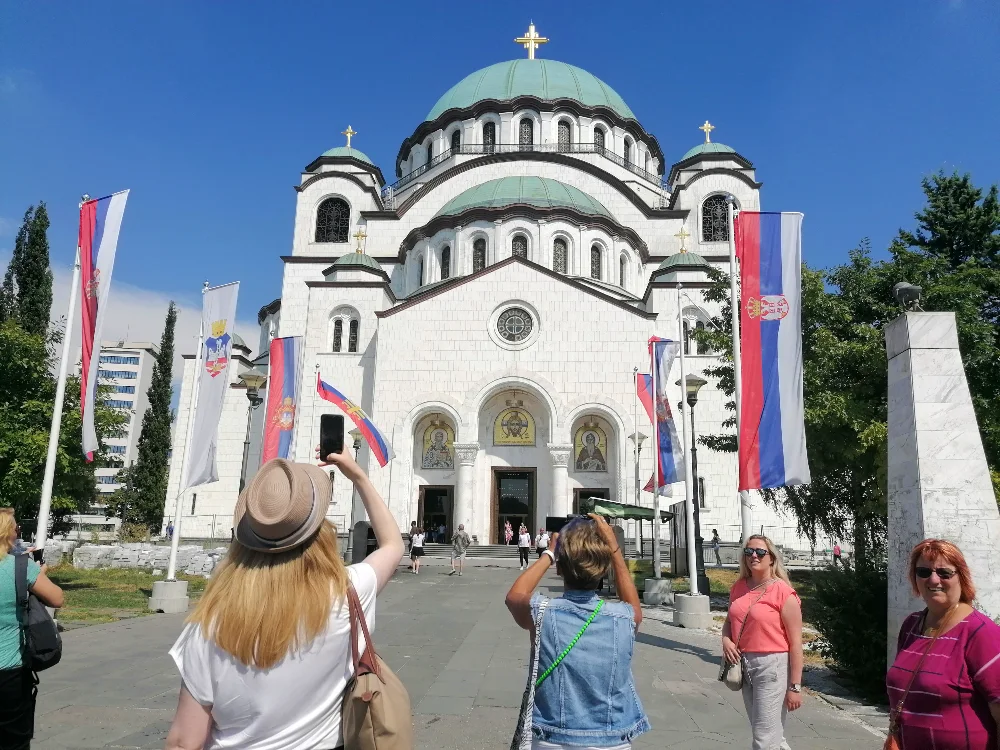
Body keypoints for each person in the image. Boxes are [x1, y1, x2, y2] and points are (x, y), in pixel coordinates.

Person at [164, 449, 404, 750]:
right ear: (320, 531)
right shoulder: (347, 594)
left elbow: (185, 741)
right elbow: (393, 545)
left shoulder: (210, 625)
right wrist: (358, 476)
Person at [505, 515, 650, 747]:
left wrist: (550, 553)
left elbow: (513, 596)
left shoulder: (543, 612)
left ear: (560, 569)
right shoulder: (624, 618)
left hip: (553, 738)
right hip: (611, 739)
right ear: (603, 570)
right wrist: (613, 548)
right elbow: (634, 607)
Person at [885, 539, 1000, 749]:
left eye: (944, 572)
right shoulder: (911, 625)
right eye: (923, 572)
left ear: (961, 577)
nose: (934, 580)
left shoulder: (981, 633)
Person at [721, 534, 803, 750]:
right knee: (771, 735)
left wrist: (795, 686)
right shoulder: (739, 587)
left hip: (772, 666)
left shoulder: (784, 593)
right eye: (748, 552)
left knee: (764, 737)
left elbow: (796, 643)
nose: (753, 556)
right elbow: (729, 621)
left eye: (760, 552)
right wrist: (726, 640)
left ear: (772, 558)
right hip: (744, 664)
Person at [0, 509, 64, 749]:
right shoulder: (20, 567)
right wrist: (38, 573)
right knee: (13, 739)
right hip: (9, 670)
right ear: (9, 534)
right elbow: (57, 598)